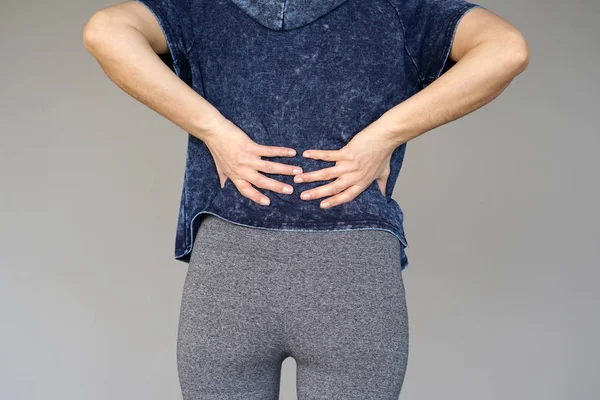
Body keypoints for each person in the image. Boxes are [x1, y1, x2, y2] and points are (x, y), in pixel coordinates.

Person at [83, 0, 529, 398]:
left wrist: (213, 129)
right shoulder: (399, 10)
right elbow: (505, 47)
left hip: (244, 276)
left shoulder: (203, 8)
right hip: (344, 275)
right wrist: (385, 135)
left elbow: (106, 30)